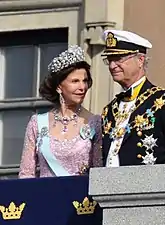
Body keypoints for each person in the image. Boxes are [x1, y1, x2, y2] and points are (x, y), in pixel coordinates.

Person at [100, 30, 165, 167]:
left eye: (118, 59)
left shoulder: (163, 104)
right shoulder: (109, 110)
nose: (112, 66)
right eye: (109, 60)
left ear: (140, 60)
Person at [19, 45, 102, 178]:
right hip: (44, 196)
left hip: (81, 197)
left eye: (85, 81)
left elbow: (99, 172)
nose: (82, 87)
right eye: (75, 81)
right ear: (59, 87)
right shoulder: (37, 123)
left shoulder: (94, 122)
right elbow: (26, 174)